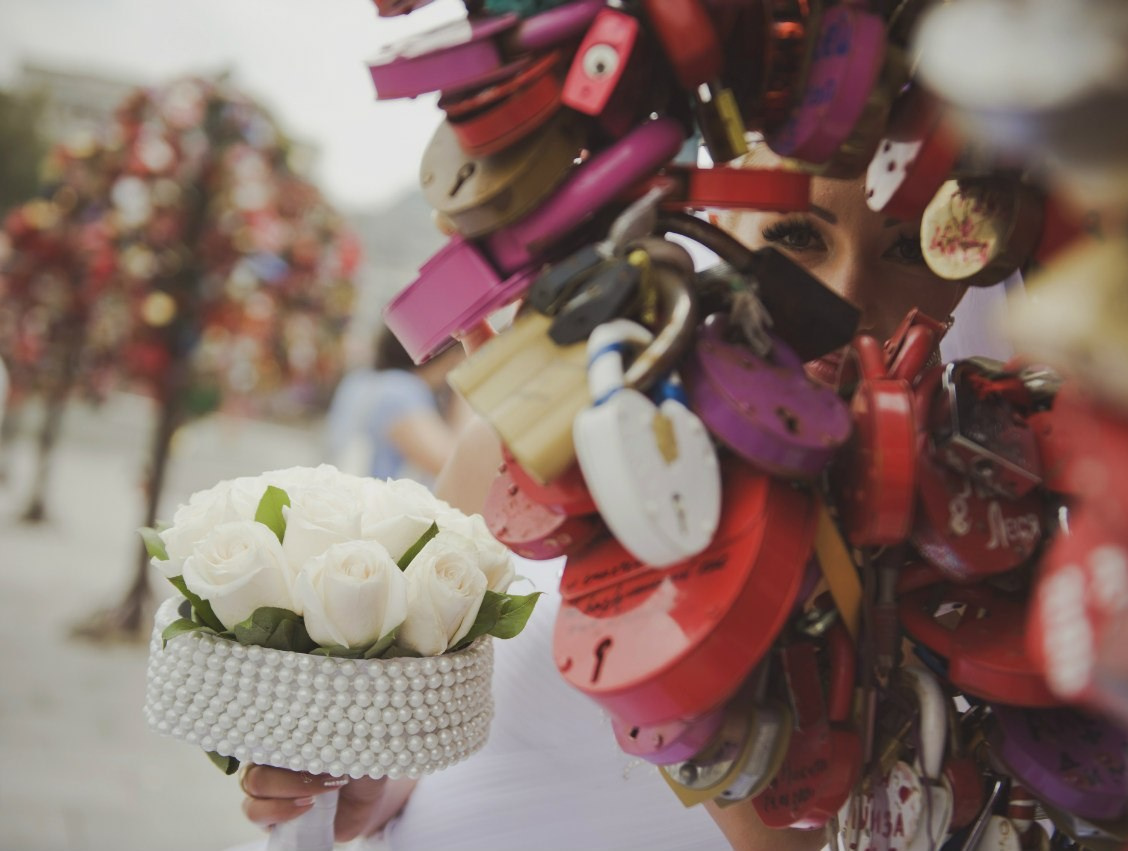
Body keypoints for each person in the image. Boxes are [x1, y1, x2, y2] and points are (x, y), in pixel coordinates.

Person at [236, 149, 1009, 851]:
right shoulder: (523, 451)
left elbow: (797, 831)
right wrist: (351, 783)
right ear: (718, 227)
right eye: (798, 237)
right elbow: (404, 762)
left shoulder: (975, 549)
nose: (845, 298)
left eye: (909, 248)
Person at [325, 329, 466, 486]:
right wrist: (463, 390)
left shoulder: (359, 380)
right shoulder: (400, 390)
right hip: (379, 505)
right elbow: (451, 465)